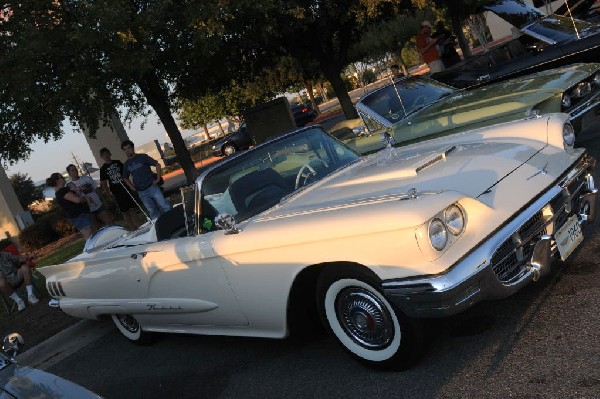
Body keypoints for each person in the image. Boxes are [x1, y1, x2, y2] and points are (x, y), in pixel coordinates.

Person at [121, 140, 171, 220]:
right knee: (153, 212)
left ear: (132, 148)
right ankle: (159, 227)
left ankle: (173, 220)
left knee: (164, 206)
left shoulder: (143, 157)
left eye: (129, 148)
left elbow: (157, 165)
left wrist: (158, 179)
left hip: (152, 187)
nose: (127, 151)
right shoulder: (126, 164)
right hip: (142, 192)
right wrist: (131, 186)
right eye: (125, 149)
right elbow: (125, 177)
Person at [99, 148, 143, 230]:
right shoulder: (103, 169)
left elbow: (125, 175)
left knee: (132, 209)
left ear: (110, 154)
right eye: (103, 155)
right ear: (102, 157)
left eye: (107, 153)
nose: (106, 156)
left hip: (125, 188)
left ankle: (139, 226)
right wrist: (109, 194)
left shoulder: (117, 162)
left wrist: (130, 185)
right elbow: (104, 184)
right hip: (116, 192)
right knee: (124, 212)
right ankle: (132, 229)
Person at [47, 172, 95, 238]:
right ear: (57, 180)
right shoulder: (62, 191)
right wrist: (86, 198)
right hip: (79, 215)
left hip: (79, 215)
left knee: (91, 235)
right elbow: (78, 200)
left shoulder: (60, 192)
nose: (64, 178)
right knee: (89, 236)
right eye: (62, 177)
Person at [66, 164, 113, 229]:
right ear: (69, 173)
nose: (75, 171)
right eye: (72, 170)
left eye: (75, 169)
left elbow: (96, 189)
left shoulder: (86, 178)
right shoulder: (70, 186)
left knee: (109, 222)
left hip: (98, 205)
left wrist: (103, 201)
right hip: (87, 210)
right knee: (97, 229)